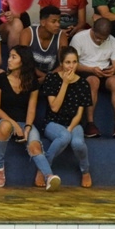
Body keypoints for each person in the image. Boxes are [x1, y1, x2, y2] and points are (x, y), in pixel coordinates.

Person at [0, 46, 51, 189]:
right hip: (4, 121)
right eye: (9, 56)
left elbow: (31, 109)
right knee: (5, 126)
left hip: (25, 122)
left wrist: (28, 127)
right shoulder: (1, 79)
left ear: (23, 61)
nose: (9, 60)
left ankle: (49, 176)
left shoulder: (32, 82)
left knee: (35, 146)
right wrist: (15, 125)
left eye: (14, 57)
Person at [38, 46, 94, 188]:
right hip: (53, 122)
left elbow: (79, 114)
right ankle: (44, 169)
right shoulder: (52, 78)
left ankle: (85, 171)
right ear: (61, 63)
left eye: (74, 62)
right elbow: (54, 107)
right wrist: (65, 83)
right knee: (64, 137)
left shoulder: (83, 84)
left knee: (78, 143)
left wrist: (70, 128)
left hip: (74, 123)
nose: (71, 66)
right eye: (68, 62)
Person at [69, 18, 115, 139]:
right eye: (97, 37)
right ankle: (90, 124)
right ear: (92, 30)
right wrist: (91, 70)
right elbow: (72, 64)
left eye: (104, 39)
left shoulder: (114, 42)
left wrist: (113, 70)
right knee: (93, 81)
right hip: (84, 70)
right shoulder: (79, 38)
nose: (100, 41)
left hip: (104, 71)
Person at [19, 5, 65, 81]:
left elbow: (63, 63)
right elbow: (25, 61)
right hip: (31, 75)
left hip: (54, 77)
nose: (58, 25)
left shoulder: (62, 36)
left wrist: (48, 78)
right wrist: (45, 78)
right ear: (43, 22)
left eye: (59, 21)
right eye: (53, 21)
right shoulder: (27, 33)